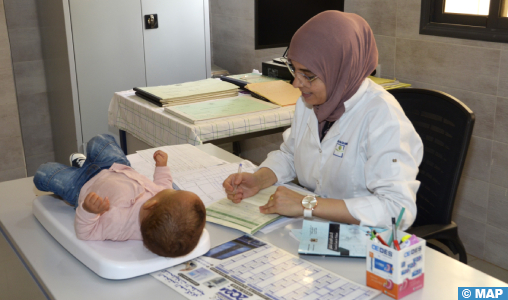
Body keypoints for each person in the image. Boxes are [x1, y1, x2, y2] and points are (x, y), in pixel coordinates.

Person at [223, 11, 423, 230]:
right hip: (315, 227)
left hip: (365, 239)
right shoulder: (310, 102)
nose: (296, 83)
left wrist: (308, 204)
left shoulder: (382, 117)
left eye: (308, 74)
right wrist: (258, 179)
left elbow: (398, 209)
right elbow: (291, 155)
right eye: (293, 69)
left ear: (341, 70)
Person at [33, 134, 206, 257]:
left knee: (42, 175)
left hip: (79, 185)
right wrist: (162, 167)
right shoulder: (161, 201)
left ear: (151, 204)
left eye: (175, 191)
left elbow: (85, 232)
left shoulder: (119, 225)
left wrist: (89, 210)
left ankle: (81, 166)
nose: (171, 188)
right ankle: (84, 162)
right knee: (99, 141)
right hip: (116, 166)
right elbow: (164, 184)